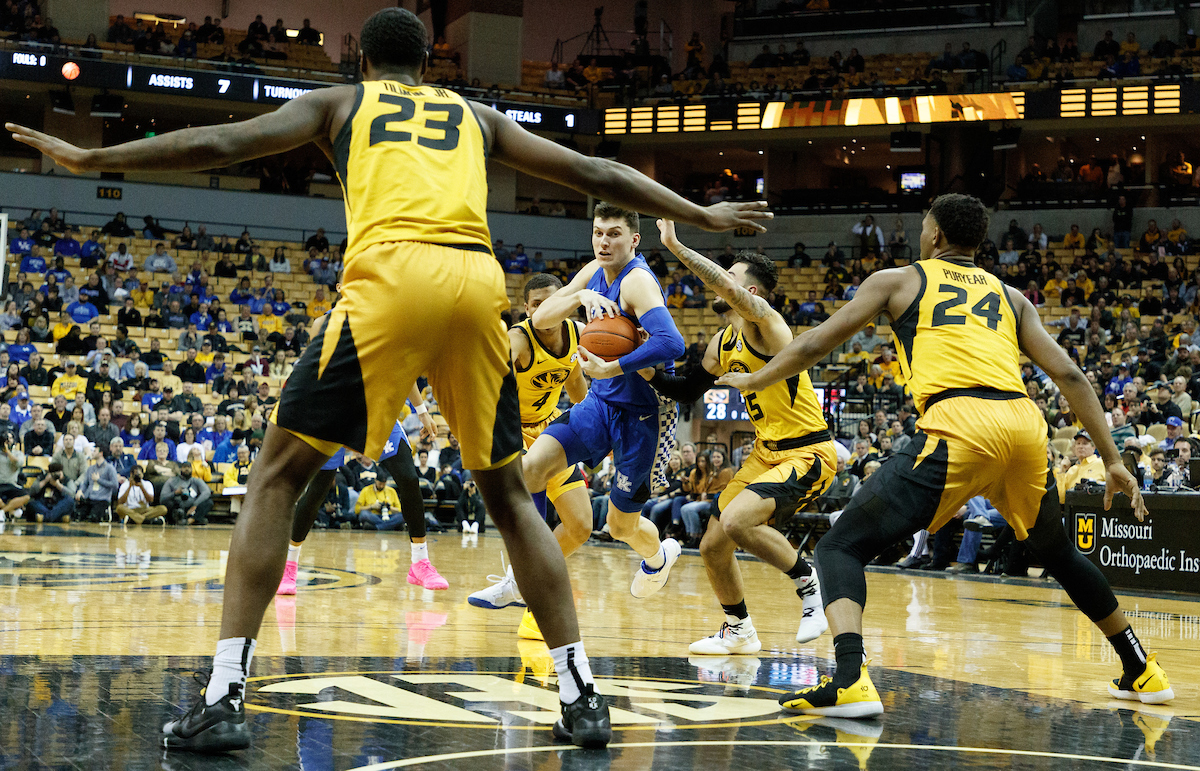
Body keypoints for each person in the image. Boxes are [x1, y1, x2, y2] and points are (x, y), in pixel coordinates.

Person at [5, 7, 768, 753]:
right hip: (476, 282)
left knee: (276, 476)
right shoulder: (475, 116)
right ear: (428, 67)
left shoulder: (343, 101)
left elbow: (224, 139)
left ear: (362, 62)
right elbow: (594, 170)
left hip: (392, 277)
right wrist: (700, 214)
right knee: (509, 495)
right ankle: (581, 696)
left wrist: (92, 159)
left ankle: (224, 696)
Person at [718, 193, 1171, 717]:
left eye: (922, 228)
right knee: (1060, 554)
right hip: (1024, 426)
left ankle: (849, 680)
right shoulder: (1011, 297)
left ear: (934, 235)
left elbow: (814, 344)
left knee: (840, 545)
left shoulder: (899, 280)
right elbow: (1069, 374)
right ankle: (1142, 669)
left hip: (959, 422)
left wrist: (756, 377)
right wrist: (1112, 458)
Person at [648, 227, 839, 655]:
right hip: (764, 454)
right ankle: (739, 631)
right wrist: (642, 369)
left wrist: (676, 247)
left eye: (729, 276)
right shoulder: (723, 342)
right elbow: (686, 390)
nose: (719, 281)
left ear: (748, 291)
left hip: (807, 451)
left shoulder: (766, 324)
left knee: (737, 522)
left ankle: (810, 586)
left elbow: (723, 284)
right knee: (713, 546)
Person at [517, 203, 688, 606]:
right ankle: (527, 570)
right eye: (598, 233)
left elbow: (673, 343)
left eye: (613, 234)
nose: (603, 241)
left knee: (619, 526)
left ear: (634, 239)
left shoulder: (637, 282)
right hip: (600, 402)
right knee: (531, 468)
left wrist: (612, 367)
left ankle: (658, 557)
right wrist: (579, 294)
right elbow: (541, 318)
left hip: (644, 414)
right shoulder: (593, 271)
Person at [467, 273, 591, 641]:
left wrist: (596, 429)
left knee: (581, 526)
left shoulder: (577, 334)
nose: (544, 309)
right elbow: (485, 380)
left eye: (551, 301)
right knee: (528, 515)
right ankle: (517, 579)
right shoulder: (518, 340)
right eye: (537, 304)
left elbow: (575, 384)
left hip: (551, 428)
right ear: (527, 308)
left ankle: (522, 583)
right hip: (512, 431)